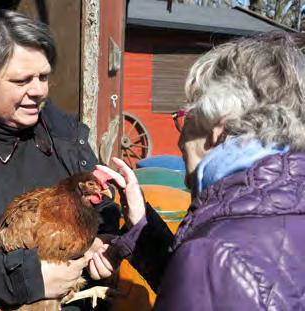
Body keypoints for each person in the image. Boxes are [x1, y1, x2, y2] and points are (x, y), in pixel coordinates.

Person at [90, 31, 305, 310]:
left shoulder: (213, 255)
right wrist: (141, 225)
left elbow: (212, 282)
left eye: (187, 118)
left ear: (219, 129)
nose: (180, 139)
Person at [0, 9, 119, 310]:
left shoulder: (66, 135)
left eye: (43, 77)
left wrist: (103, 242)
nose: (39, 91)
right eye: (21, 80)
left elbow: (104, 209)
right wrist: (26, 279)